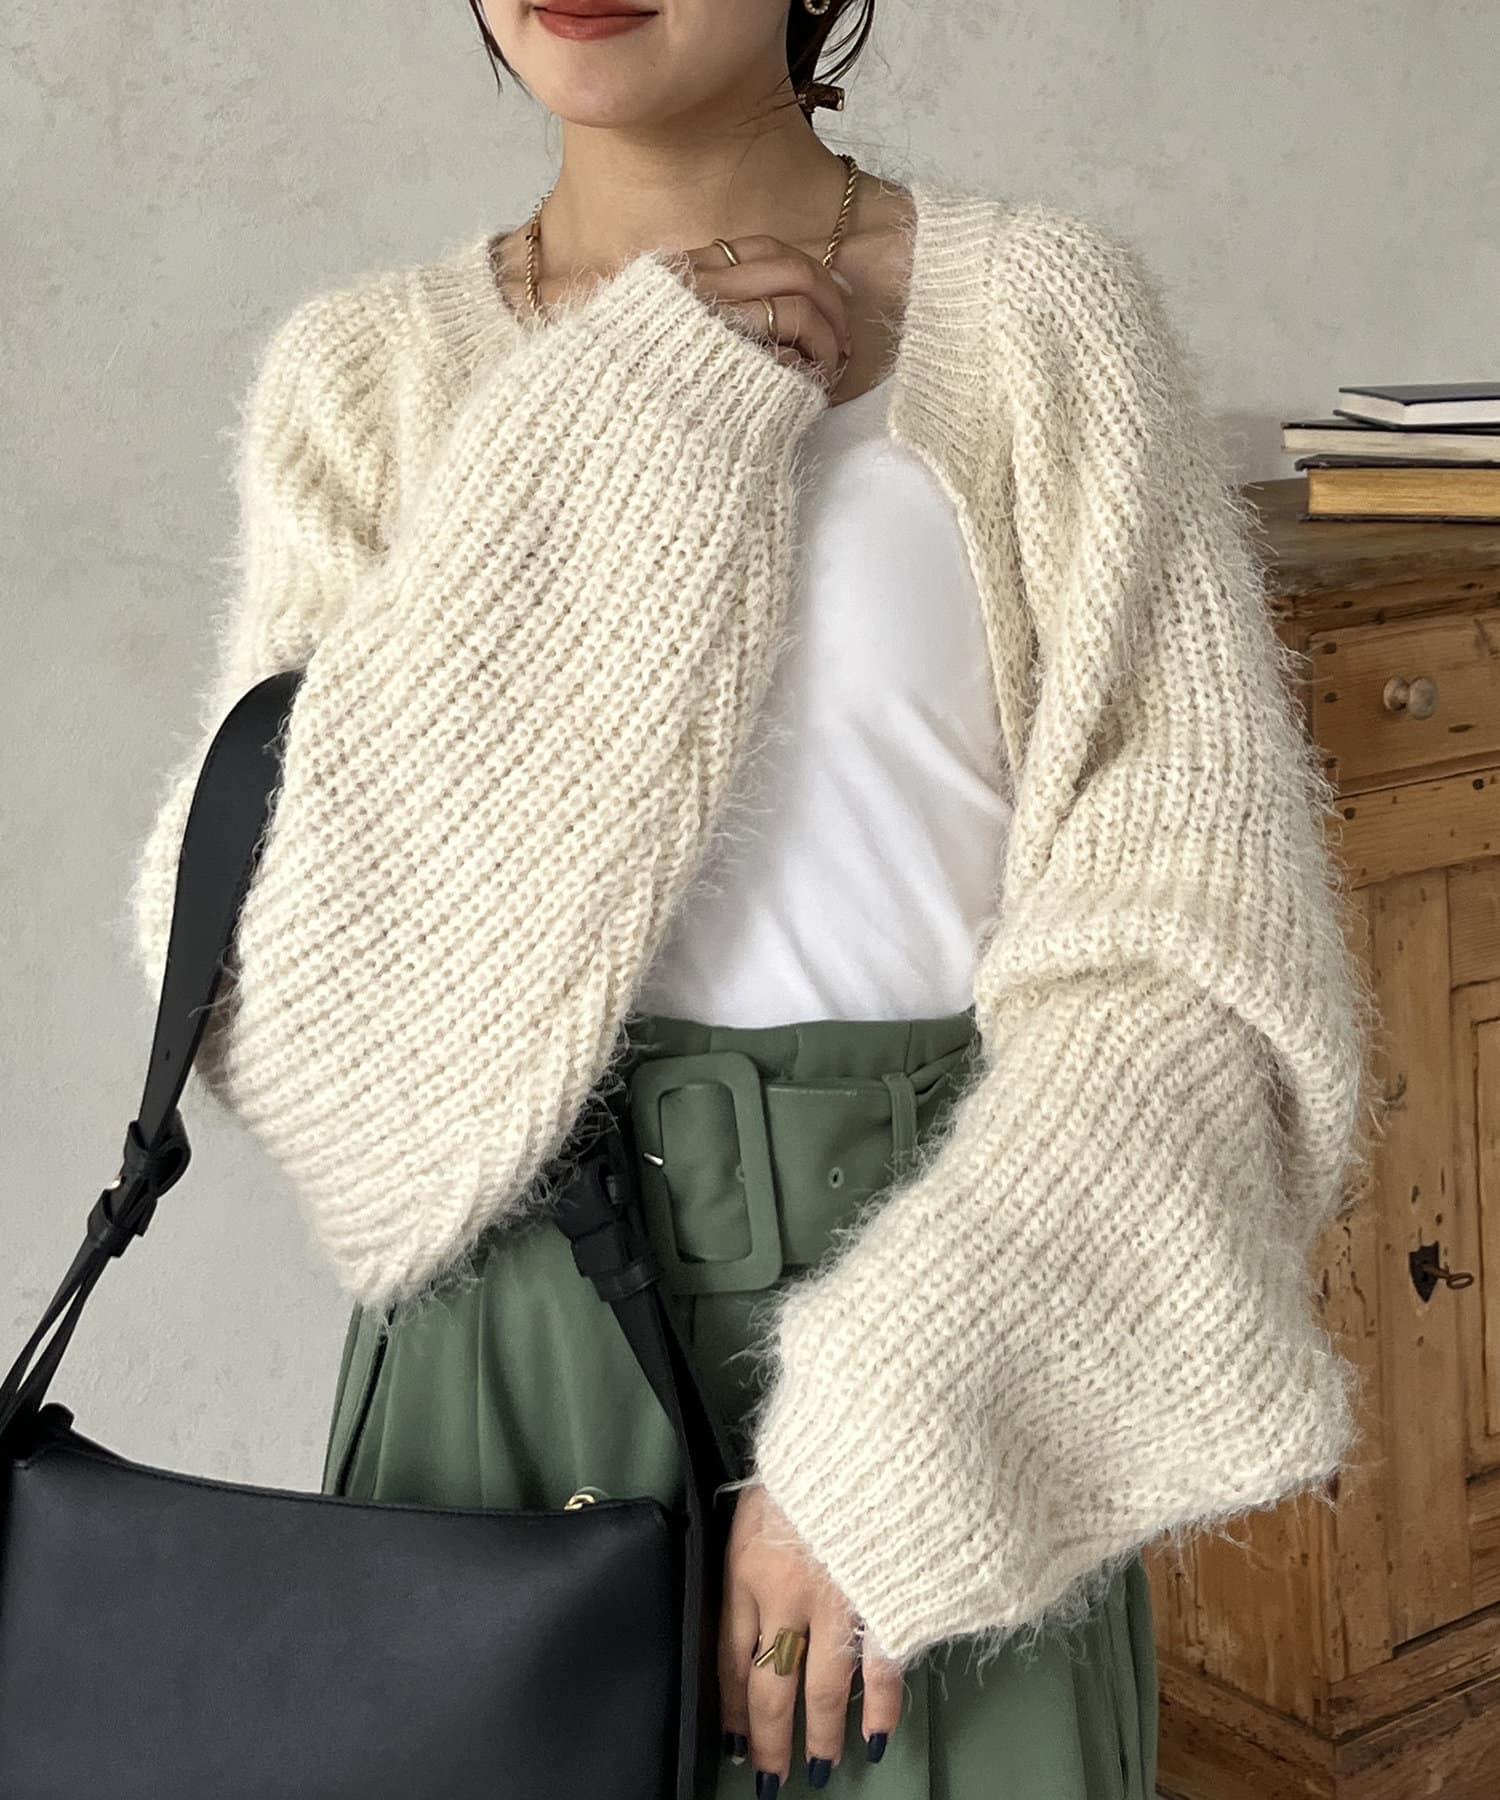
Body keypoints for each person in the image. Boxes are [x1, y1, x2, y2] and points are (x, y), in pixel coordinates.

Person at [126, 1, 1376, 1795]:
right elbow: (310, 1031)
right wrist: (620, 426)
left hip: (974, 1310)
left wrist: (904, 1433)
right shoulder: (364, 376)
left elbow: (1203, 953)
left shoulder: (1043, 319)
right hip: (510, 1356)